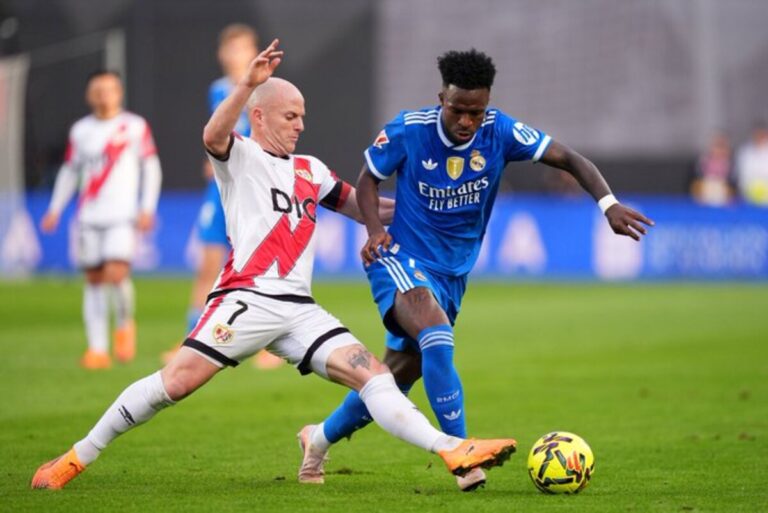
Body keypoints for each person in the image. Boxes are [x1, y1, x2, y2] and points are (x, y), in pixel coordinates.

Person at [31, 40, 518, 491]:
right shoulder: (238, 157)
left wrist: (436, 203)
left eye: (303, 116)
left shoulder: (311, 170)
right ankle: (77, 455)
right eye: (291, 115)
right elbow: (213, 133)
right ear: (259, 117)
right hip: (245, 300)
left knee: (376, 377)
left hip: (300, 311)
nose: (300, 124)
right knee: (174, 384)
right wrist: (245, 84)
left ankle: (452, 449)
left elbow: (368, 207)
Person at [297, 49, 654, 492]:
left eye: (476, 111)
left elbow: (570, 159)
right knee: (436, 334)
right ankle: (463, 454)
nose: (466, 121)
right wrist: (373, 231)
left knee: (395, 378)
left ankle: (318, 439)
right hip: (398, 256)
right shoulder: (409, 130)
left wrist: (609, 204)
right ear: (441, 98)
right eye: (457, 110)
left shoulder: (501, 131)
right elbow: (368, 179)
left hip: (452, 273)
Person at [167, 23, 283, 369]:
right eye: (231, 50)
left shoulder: (268, 90)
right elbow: (218, 129)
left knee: (256, 268)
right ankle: (191, 341)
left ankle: (267, 346)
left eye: (243, 49)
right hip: (219, 190)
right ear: (222, 55)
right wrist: (212, 159)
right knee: (208, 265)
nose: (237, 57)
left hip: (253, 191)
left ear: (254, 52)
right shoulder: (217, 90)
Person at [40, 70, 162, 369]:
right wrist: (55, 207)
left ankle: (124, 324)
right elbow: (71, 170)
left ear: (119, 92)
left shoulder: (133, 127)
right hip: (88, 215)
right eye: (97, 89)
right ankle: (97, 349)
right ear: (88, 94)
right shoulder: (80, 131)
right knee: (94, 279)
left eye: (109, 89)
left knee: (116, 274)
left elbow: (151, 167)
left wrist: (147, 207)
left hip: (122, 215)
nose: (103, 95)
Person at [690, 132, 734, 206]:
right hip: (707, 186)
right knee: (697, 185)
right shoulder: (704, 160)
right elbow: (699, 177)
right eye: (716, 146)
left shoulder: (729, 162)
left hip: (721, 188)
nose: (718, 150)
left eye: (721, 146)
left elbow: (730, 181)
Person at [735, 121, 768, 206]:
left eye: (762, 134)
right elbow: (742, 176)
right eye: (757, 134)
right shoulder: (745, 152)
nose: (759, 137)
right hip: (748, 198)